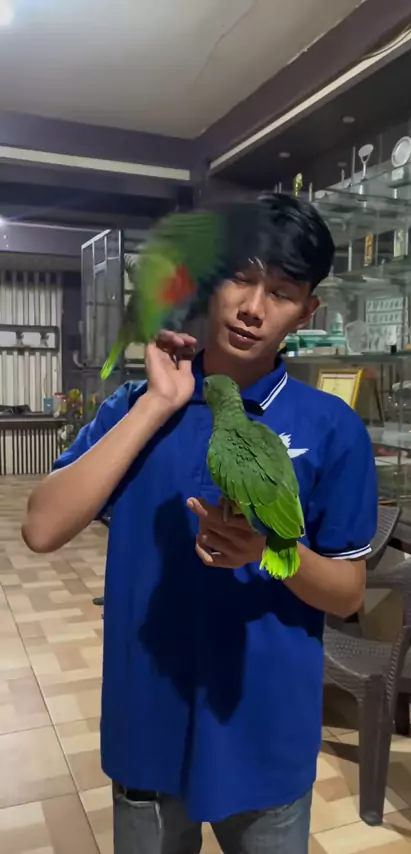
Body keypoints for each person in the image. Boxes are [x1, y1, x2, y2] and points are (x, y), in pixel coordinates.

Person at [22, 193, 377, 854]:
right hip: (149, 726)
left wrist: (271, 551)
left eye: (281, 292)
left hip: (265, 731)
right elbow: (42, 529)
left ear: (307, 311)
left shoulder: (333, 429)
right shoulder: (136, 407)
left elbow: (348, 593)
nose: (253, 307)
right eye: (241, 277)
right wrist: (158, 404)